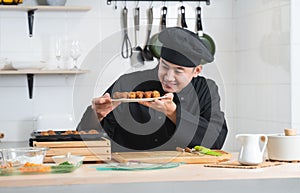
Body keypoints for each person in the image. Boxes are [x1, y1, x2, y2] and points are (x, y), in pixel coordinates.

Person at [78, 27, 228, 151]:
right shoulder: (127, 83)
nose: (168, 77)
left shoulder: (206, 89)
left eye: (178, 71)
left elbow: (215, 140)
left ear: (196, 71)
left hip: (185, 173)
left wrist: (173, 113)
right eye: (164, 66)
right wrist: (97, 115)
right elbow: (83, 138)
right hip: (129, 171)